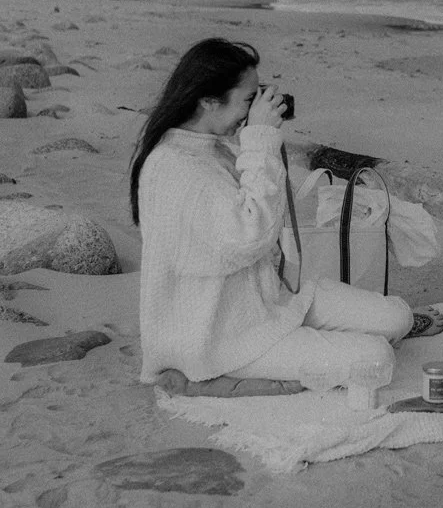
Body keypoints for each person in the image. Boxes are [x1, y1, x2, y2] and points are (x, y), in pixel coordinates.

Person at [129, 37, 412, 397]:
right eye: (248, 99)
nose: (252, 110)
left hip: (267, 303)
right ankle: (214, 381)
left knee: (397, 317)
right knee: (376, 357)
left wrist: (255, 136)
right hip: (220, 336)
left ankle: (299, 355)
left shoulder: (208, 147)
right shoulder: (176, 169)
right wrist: (260, 137)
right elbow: (250, 237)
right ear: (208, 100)